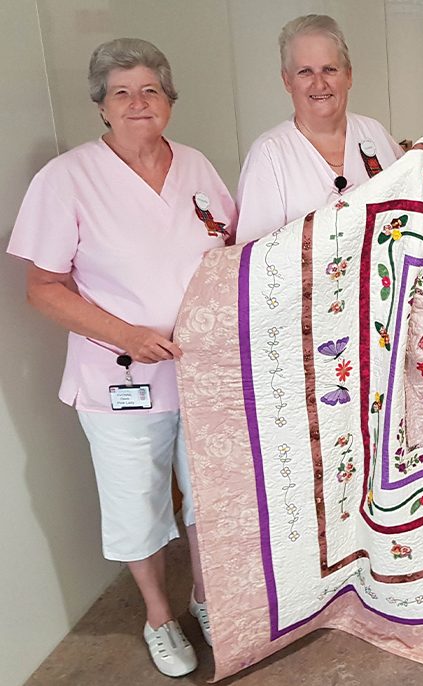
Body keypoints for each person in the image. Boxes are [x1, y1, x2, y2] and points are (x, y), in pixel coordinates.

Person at [7, 38, 236, 677]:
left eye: (151, 91)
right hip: (120, 379)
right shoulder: (68, 177)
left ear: (169, 101)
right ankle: (160, 616)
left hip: (202, 374)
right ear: (101, 107)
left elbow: (231, 252)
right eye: (121, 93)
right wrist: (127, 335)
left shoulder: (195, 166)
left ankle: (208, 596)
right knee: (137, 503)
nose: (138, 104)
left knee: (211, 497)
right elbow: (43, 288)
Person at [236, 14, 423, 243]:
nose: (319, 83)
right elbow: (252, 258)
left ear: (349, 75)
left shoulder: (373, 133)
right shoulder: (269, 154)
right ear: (287, 80)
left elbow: (417, 209)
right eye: (305, 71)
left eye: (329, 69)